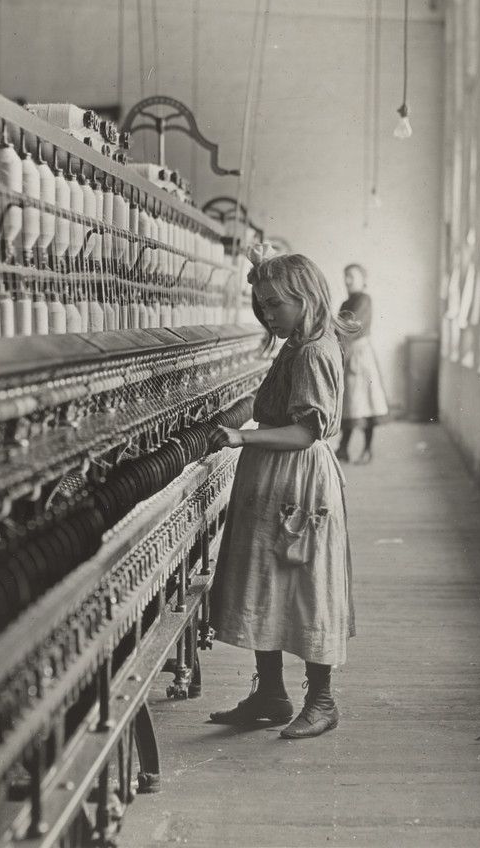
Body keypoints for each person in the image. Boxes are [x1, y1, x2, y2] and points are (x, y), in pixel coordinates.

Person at [206, 249, 356, 739]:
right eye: (261, 305)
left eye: (275, 305)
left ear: (306, 299)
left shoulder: (313, 351)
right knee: (266, 581)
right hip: (275, 478)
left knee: (307, 585)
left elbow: (305, 432)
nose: (267, 315)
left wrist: (239, 437)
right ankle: (270, 693)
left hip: (298, 479)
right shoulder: (296, 345)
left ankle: (323, 700)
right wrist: (231, 415)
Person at [335, 263, 389, 465]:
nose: (348, 280)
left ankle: (367, 449)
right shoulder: (345, 302)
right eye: (346, 276)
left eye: (352, 276)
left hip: (360, 355)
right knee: (349, 402)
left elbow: (351, 326)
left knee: (366, 403)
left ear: (363, 280)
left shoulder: (364, 300)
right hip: (348, 353)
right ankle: (343, 448)